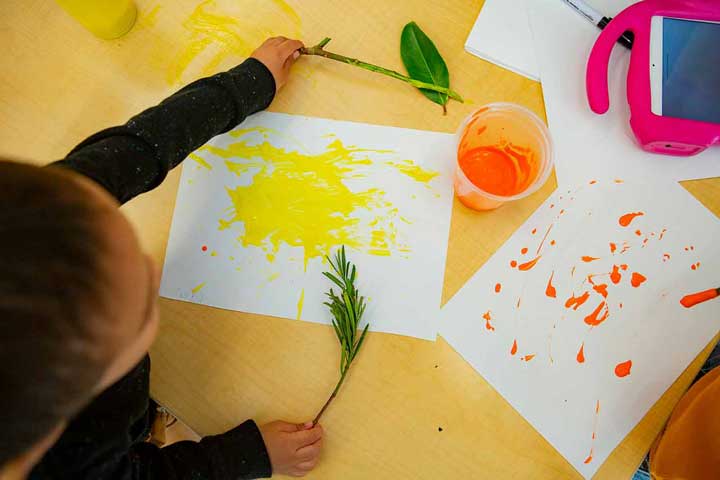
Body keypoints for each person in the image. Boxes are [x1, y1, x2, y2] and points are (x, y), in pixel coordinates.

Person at [0, 37, 324, 480]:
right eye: (140, 304)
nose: (154, 270)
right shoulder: (72, 463)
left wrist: (246, 84)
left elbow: (143, 145)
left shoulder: (45, 214)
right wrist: (246, 454)